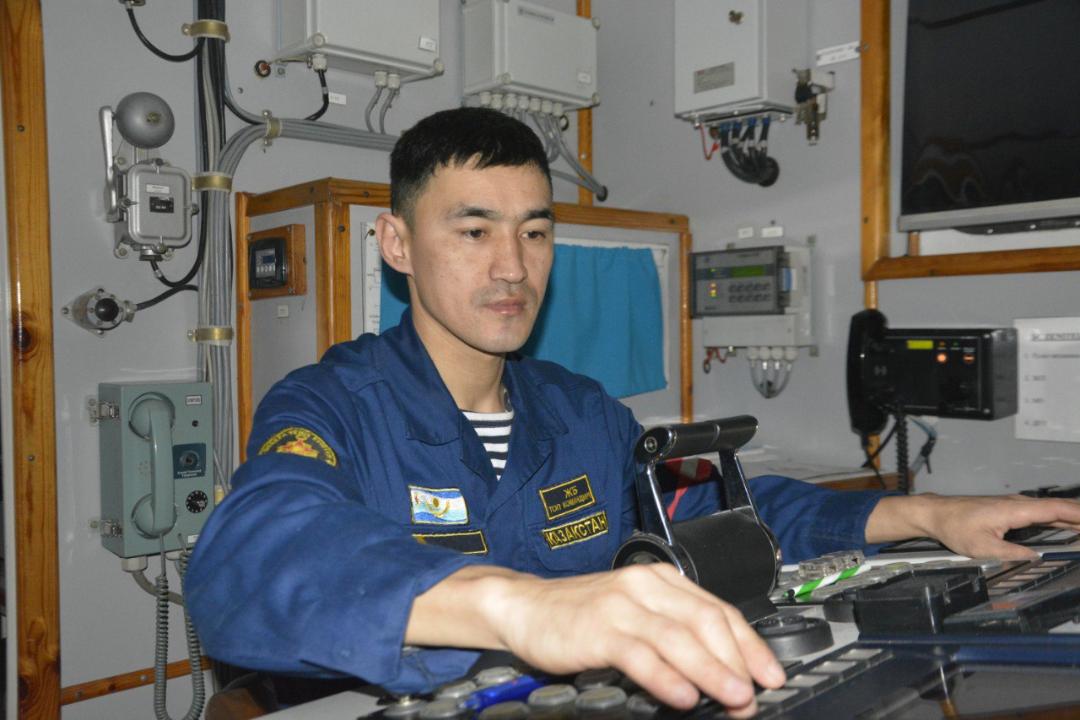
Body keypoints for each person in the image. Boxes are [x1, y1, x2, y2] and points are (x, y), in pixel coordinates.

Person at [185, 107, 1080, 717]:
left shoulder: (577, 410)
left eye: (535, 232)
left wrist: (925, 516)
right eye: (474, 230)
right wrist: (523, 608)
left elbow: (721, 513)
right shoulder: (330, 404)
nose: (512, 266)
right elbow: (253, 553)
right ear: (397, 245)